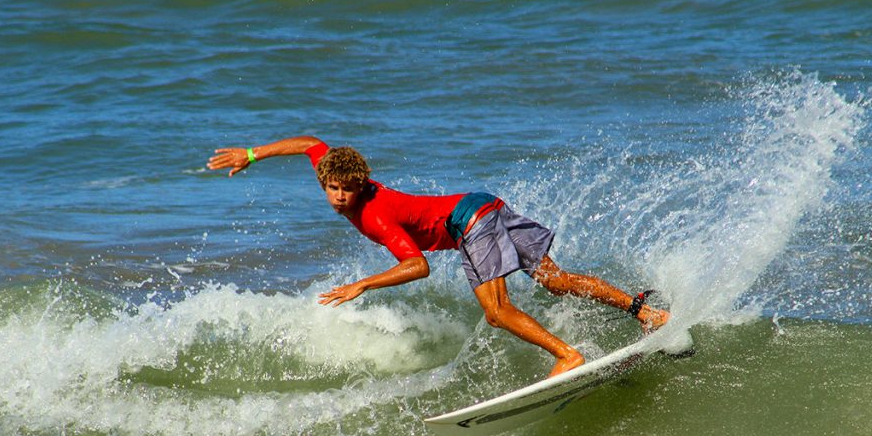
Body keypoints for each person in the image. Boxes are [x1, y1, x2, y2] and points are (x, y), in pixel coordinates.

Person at [207, 136, 669, 377]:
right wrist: (252, 153)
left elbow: (418, 266)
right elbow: (310, 143)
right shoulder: (330, 165)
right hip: (482, 202)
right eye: (333, 188)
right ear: (324, 180)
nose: (341, 197)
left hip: (469, 223)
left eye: (349, 189)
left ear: (362, 182)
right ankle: (646, 312)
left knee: (497, 312)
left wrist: (363, 284)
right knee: (555, 280)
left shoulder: (377, 217)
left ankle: (568, 356)